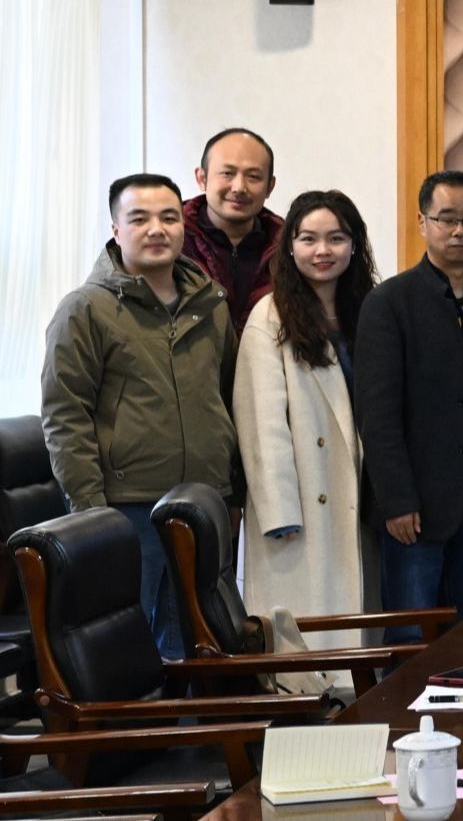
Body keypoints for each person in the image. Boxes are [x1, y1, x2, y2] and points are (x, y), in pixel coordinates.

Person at [41, 173, 236, 660]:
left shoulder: (210, 304)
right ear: (115, 229)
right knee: (129, 651)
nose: (156, 229)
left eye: (169, 217)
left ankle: (188, 716)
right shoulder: (85, 309)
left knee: (197, 643)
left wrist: (232, 489)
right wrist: (91, 511)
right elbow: (65, 416)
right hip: (126, 507)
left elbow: (227, 395)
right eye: (139, 218)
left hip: (203, 500)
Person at [355, 170, 463, 636]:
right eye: (446, 219)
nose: (459, 230)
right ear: (423, 222)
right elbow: (377, 414)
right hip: (415, 509)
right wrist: (397, 501)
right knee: (409, 634)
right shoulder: (389, 302)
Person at [235, 190, 377, 650]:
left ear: (354, 245)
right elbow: (263, 426)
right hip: (303, 503)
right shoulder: (269, 316)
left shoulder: (371, 310)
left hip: (363, 497)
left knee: (360, 631)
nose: (322, 250)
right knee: (308, 638)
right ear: (289, 247)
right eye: (308, 238)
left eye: (336, 238)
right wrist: (279, 512)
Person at [182, 127, 283, 334]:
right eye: (227, 173)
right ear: (202, 178)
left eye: (253, 176)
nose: (239, 187)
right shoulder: (172, 240)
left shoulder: (289, 246)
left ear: (270, 186)